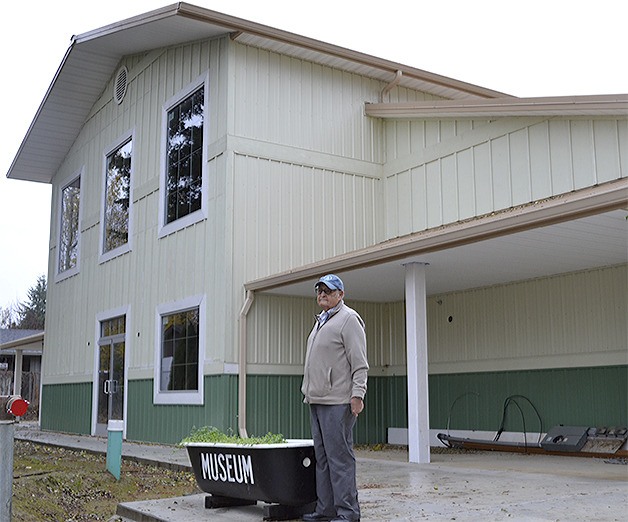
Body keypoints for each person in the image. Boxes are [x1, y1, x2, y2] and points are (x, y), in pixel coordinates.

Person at [301, 274, 368, 522]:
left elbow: (360, 363)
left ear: (340, 294)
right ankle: (326, 510)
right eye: (319, 291)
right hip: (317, 400)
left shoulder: (348, 319)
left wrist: (357, 395)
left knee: (340, 460)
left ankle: (348, 513)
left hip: (338, 401)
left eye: (328, 291)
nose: (322, 295)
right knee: (323, 459)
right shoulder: (322, 320)